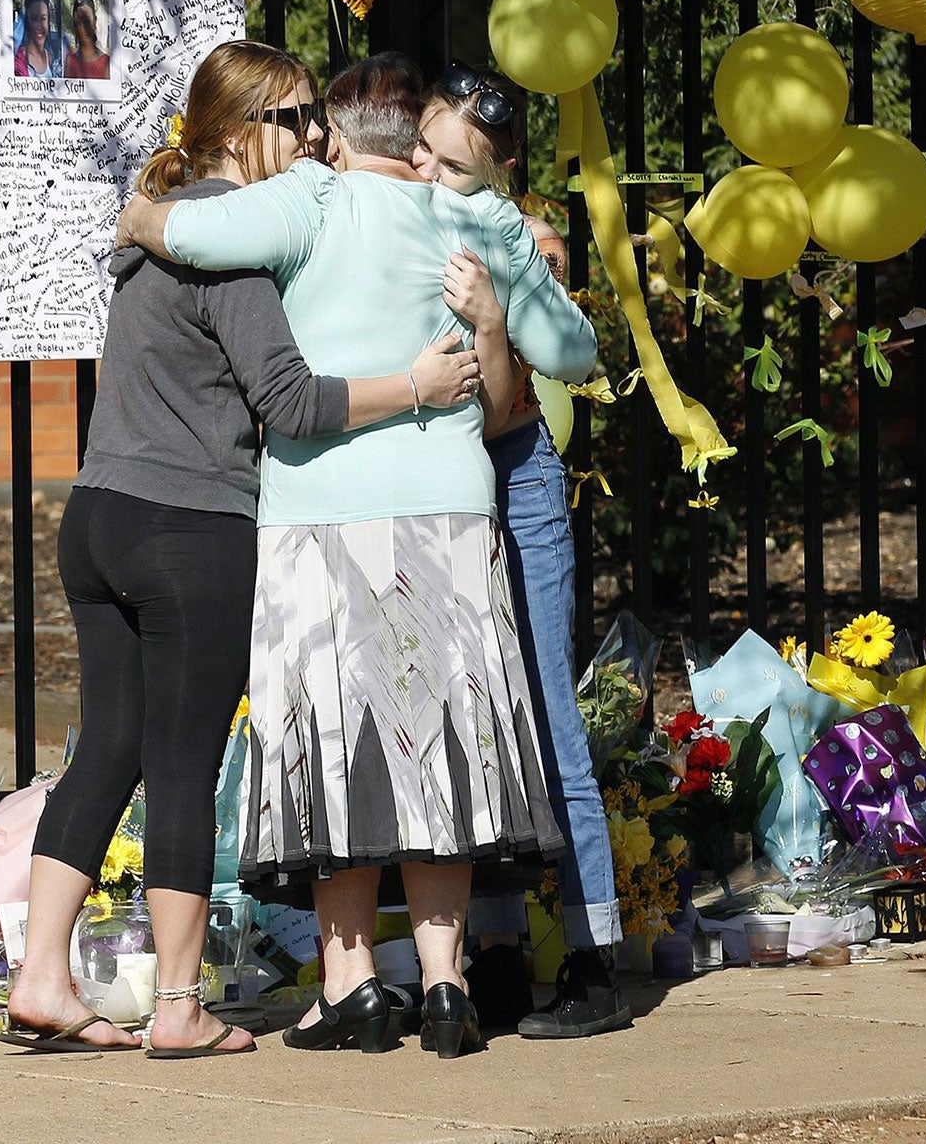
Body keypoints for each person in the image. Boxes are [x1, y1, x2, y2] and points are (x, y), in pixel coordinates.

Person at [3, 40, 483, 1060]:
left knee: (108, 751)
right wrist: (418, 388)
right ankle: (178, 1005)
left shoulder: (153, 237)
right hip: (188, 531)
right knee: (182, 765)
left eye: (318, 118)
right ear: (235, 134)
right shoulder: (224, 251)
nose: (315, 137)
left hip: (97, 517)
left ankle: (41, 978)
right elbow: (293, 402)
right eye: (296, 118)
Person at [112, 51, 597, 1060]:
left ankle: (348, 983)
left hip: (317, 509)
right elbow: (574, 353)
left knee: (334, 746)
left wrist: (136, 216)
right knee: (441, 748)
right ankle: (448, 980)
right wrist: (498, 297)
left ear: (332, 133)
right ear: (414, 133)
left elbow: (192, 230)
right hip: (449, 509)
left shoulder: (309, 199)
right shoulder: (472, 218)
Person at [415, 62, 631, 1040]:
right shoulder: (384, 212)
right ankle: (493, 956)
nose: (430, 173)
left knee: (546, 716)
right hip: (426, 488)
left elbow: (577, 355)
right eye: (420, 149)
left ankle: (595, 962)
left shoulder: (494, 228)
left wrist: (505, 268)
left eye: (456, 167)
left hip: (513, 478)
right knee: (464, 720)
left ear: (498, 173)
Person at [14, 0, 66, 79]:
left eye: (43, 19)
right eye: (34, 19)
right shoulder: (18, 60)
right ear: (27, 22)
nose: (39, 26)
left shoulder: (52, 58)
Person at [64, 0, 112, 80]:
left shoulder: (106, 63)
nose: (82, 28)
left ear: (94, 21)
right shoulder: (70, 61)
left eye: (86, 21)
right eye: (78, 22)